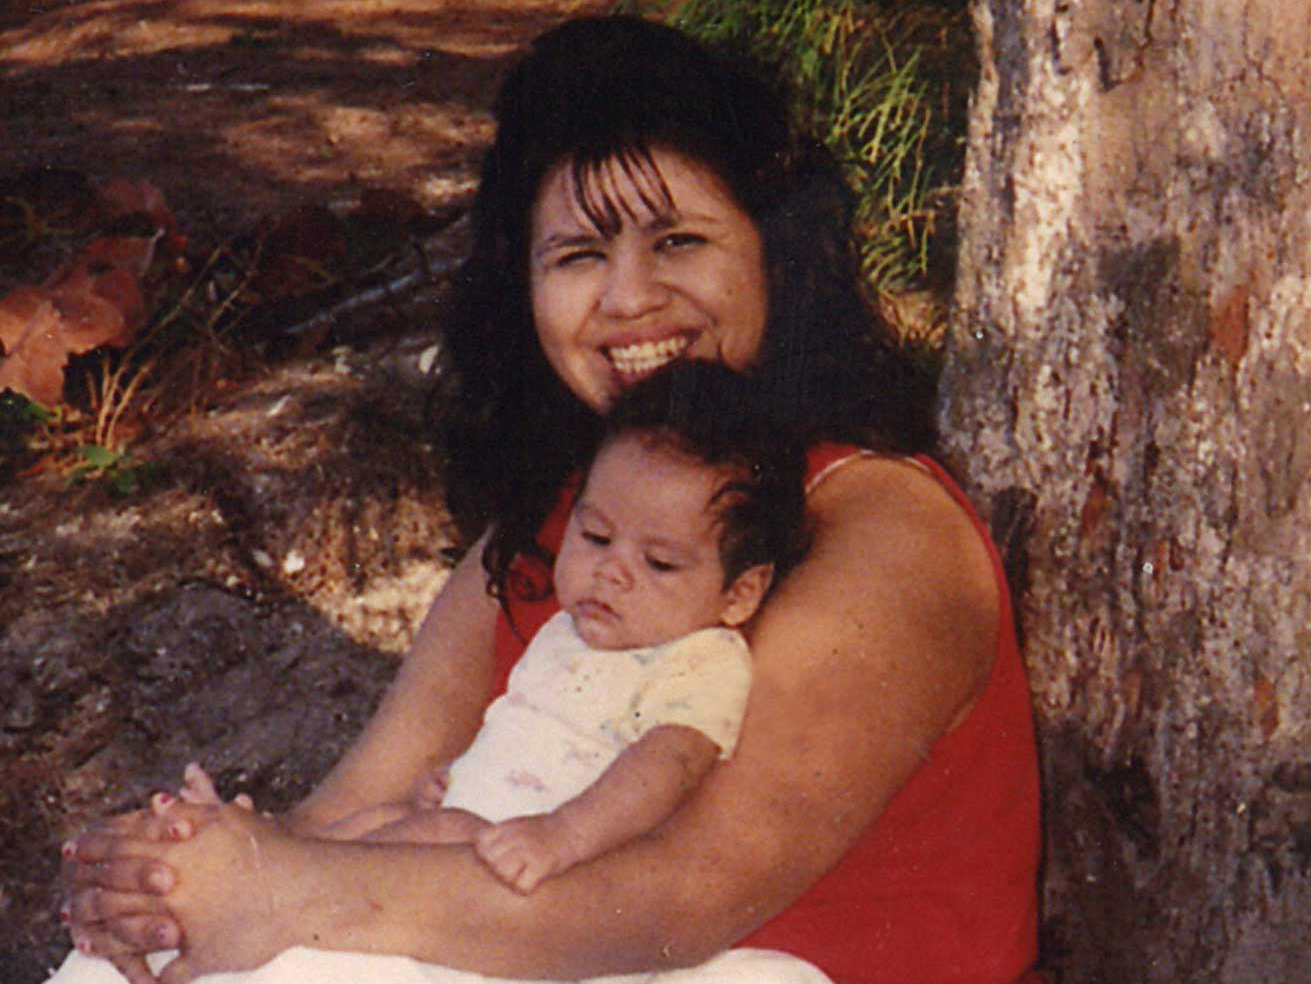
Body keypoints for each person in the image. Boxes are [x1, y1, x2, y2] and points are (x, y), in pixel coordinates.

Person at [61, 13, 1043, 984]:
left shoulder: (881, 526)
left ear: (775, 257)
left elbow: (683, 896)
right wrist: (169, 879)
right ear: (521, 289)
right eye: (579, 255)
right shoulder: (563, 517)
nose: (627, 299)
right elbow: (341, 814)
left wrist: (284, 890)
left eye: (680, 241)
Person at [182, 363, 808, 905]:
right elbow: (528, 728)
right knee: (381, 820)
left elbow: (667, 767)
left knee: (406, 842)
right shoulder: (575, 630)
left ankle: (262, 884)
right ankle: (255, 846)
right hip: (480, 821)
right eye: (594, 537)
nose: (611, 572)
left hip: (552, 864)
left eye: (660, 563)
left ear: (740, 593)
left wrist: (562, 836)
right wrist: (461, 770)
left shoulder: (700, 660)